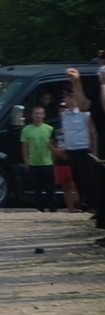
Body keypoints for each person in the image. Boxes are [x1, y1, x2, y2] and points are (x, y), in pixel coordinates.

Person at [59, 67, 94, 216]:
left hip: (83, 148)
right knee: (77, 179)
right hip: (72, 150)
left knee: (86, 178)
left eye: (68, 97)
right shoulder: (65, 115)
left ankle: (89, 202)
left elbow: (90, 129)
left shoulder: (84, 114)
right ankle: (83, 202)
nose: (66, 100)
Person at [20, 104, 58, 209]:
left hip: (48, 162)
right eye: (36, 113)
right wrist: (26, 162)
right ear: (32, 115)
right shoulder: (26, 130)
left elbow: (54, 146)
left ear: (44, 115)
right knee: (37, 189)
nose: (38, 116)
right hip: (34, 163)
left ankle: (52, 207)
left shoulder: (50, 129)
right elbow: (24, 148)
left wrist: (54, 161)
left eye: (40, 113)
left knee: (50, 188)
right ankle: (40, 207)